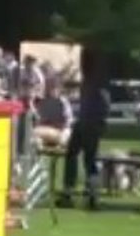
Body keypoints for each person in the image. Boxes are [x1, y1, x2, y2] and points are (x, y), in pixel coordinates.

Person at [59, 48, 111, 210]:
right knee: (74, 155)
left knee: (89, 160)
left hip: (90, 124)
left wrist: (100, 122)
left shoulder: (97, 81)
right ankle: (71, 193)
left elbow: (105, 103)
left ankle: (91, 197)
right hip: (83, 123)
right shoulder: (89, 80)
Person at [31, 80, 73, 150]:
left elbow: (68, 121)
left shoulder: (62, 102)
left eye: (52, 88)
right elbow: (39, 120)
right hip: (45, 131)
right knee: (33, 135)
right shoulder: (41, 102)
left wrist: (58, 124)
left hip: (60, 131)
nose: (49, 91)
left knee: (65, 136)